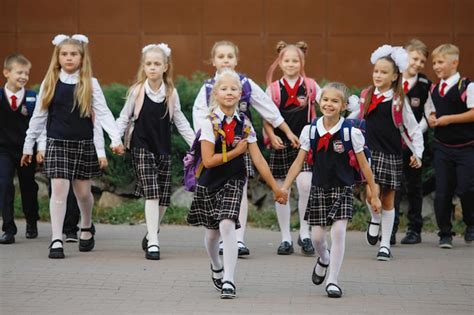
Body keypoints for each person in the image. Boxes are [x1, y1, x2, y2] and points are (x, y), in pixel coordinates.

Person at [187, 69, 288, 299]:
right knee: (212, 235)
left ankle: (229, 280)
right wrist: (236, 151)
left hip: (234, 180)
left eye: (233, 89)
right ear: (215, 94)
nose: (229, 92)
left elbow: (259, 159)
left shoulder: (245, 125)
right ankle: (216, 265)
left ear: (241, 94)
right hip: (210, 181)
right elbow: (210, 161)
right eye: (224, 89)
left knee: (227, 226)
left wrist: (276, 188)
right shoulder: (209, 122)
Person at [21, 34, 123, 258]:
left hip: (83, 144)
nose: (69, 58)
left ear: (81, 57)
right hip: (56, 144)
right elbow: (38, 117)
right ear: (57, 57)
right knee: (58, 190)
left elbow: (104, 114)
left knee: (83, 193)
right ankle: (56, 239)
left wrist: (115, 139)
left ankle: (86, 225)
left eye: (73, 54)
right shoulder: (50, 82)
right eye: (64, 54)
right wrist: (29, 146)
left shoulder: (90, 83)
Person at [193, 40, 299, 257]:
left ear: (236, 59)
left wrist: (287, 132)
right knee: (215, 194)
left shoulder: (246, 84)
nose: (225, 60)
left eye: (229, 56)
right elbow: (199, 119)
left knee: (238, 192)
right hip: (215, 150)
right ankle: (220, 238)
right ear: (213, 61)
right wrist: (203, 146)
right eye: (221, 56)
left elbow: (268, 109)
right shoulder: (207, 88)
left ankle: (237, 240)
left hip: (242, 144)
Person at [282, 81, 381, 298]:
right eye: (325, 100)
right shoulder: (310, 130)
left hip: (342, 189)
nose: (329, 104)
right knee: (317, 238)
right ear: (318, 102)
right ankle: (323, 259)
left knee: (338, 232)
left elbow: (365, 166)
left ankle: (333, 280)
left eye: (335, 101)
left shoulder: (351, 132)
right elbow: (299, 163)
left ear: (344, 105)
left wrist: (374, 193)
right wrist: (284, 187)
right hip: (319, 189)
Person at [116, 43, 194, 260]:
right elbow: (123, 117)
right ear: (144, 66)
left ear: (165, 66)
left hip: (163, 149)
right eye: (148, 64)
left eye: (157, 64)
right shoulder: (137, 91)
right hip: (141, 147)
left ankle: (152, 230)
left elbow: (180, 121)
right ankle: (154, 242)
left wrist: (197, 144)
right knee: (152, 192)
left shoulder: (171, 93)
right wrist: (115, 139)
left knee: (163, 199)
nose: (152, 67)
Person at [350, 45, 423, 261]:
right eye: (376, 71)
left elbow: (412, 127)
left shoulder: (399, 100)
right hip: (369, 153)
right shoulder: (366, 94)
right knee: (372, 195)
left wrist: (417, 152)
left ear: (394, 76)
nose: (378, 75)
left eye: (383, 72)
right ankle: (374, 219)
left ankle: (385, 244)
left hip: (391, 154)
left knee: (388, 200)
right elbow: (356, 116)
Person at [264, 41, 320, 255]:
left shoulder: (311, 86)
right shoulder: (273, 89)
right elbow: (266, 117)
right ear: (280, 62)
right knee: (281, 190)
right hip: (280, 145)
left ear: (302, 61)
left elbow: (325, 105)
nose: (290, 64)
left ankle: (304, 233)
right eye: (286, 60)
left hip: (304, 145)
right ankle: (285, 237)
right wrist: (270, 136)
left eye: (295, 60)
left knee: (306, 185)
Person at [426, 43, 474, 248]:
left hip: (466, 148)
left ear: (454, 62)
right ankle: (445, 233)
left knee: (466, 189)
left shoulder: (467, 86)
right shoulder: (434, 89)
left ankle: (471, 225)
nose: (436, 66)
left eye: (440, 62)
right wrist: (432, 118)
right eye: (434, 62)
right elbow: (430, 111)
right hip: (442, 147)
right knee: (443, 191)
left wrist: (448, 120)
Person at [393, 39, 432, 245]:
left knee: (414, 186)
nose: (417, 63)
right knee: (393, 186)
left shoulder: (425, 84)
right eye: (414, 58)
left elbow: (429, 114)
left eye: (422, 61)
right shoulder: (393, 79)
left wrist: (415, 132)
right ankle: (390, 230)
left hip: (415, 145)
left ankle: (414, 230)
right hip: (392, 144)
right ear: (405, 56)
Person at [0, 53, 39, 244]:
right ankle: (8, 229)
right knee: (5, 185)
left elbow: (39, 124)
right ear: (6, 73)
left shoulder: (32, 98)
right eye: (19, 72)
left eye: (27, 73)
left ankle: (32, 222)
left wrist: (38, 149)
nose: (24, 76)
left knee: (28, 186)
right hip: (3, 151)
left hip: (27, 151)